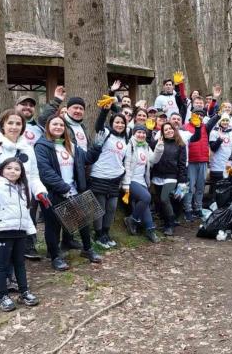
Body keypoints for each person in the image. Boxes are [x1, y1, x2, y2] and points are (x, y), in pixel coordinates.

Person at [0, 110, 50, 305]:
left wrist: (40, 192)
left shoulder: (27, 148)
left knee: (16, 248)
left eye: (18, 123)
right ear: (2, 125)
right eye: (10, 123)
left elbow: (32, 176)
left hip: (18, 207)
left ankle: (11, 281)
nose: (14, 127)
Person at [34, 115, 102, 271]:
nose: (58, 127)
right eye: (54, 124)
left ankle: (87, 249)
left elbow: (87, 159)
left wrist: (97, 147)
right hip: (53, 193)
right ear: (47, 127)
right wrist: (63, 188)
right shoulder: (41, 146)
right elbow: (45, 171)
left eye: (61, 125)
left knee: (83, 220)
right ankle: (55, 256)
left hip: (73, 190)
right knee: (53, 226)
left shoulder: (70, 145)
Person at [0, 157, 39, 311]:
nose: (13, 171)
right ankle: (2, 295)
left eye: (17, 169)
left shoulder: (22, 187)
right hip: (2, 231)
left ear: (21, 172)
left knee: (19, 262)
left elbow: (25, 212)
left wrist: (30, 230)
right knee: (2, 265)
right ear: (2, 170)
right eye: (9, 168)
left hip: (19, 231)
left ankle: (24, 291)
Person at [90, 93, 129, 249]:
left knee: (111, 208)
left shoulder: (126, 138)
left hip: (115, 178)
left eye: (122, 123)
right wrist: (105, 110)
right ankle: (98, 234)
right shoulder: (105, 133)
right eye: (117, 122)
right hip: (99, 175)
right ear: (112, 123)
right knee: (99, 208)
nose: (119, 125)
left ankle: (106, 233)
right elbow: (98, 125)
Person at [122, 124, 160, 243]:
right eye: (139, 132)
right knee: (146, 197)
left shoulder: (146, 146)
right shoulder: (130, 146)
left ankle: (150, 230)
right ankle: (132, 219)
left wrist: (159, 148)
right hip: (131, 180)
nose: (141, 135)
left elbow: (153, 160)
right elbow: (127, 166)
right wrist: (126, 184)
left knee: (145, 203)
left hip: (142, 181)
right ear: (134, 133)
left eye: (143, 133)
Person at [150, 123, 188, 236]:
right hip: (157, 176)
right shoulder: (158, 143)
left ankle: (170, 225)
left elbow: (182, 164)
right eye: (165, 130)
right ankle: (165, 221)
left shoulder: (180, 144)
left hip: (171, 177)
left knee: (164, 198)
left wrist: (182, 181)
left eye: (170, 128)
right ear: (162, 132)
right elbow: (148, 147)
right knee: (159, 201)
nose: (168, 131)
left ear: (174, 130)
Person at [208, 114, 232, 193]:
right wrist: (220, 139)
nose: (225, 122)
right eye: (223, 120)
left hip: (229, 165)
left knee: (228, 187)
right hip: (217, 165)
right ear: (220, 121)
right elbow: (213, 148)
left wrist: (230, 160)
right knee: (216, 188)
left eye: (227, 120)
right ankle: (213, 203)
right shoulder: (214, 132)